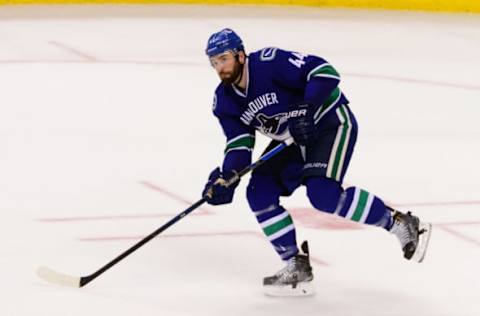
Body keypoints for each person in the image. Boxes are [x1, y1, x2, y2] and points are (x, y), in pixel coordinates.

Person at [201, 28, 432, 296]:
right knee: (259, 191)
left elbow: (324, 72)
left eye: (224, 58)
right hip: (293, 138)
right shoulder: (225, 101)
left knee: (323, 194)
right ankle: (295, 263)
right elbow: (239, 143)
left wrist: (307, 105)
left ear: (240, 55)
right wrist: (228, 176)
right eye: (214, 62)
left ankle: (400, 223)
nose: (220, 67)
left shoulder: (269, 62)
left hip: (329, 122)